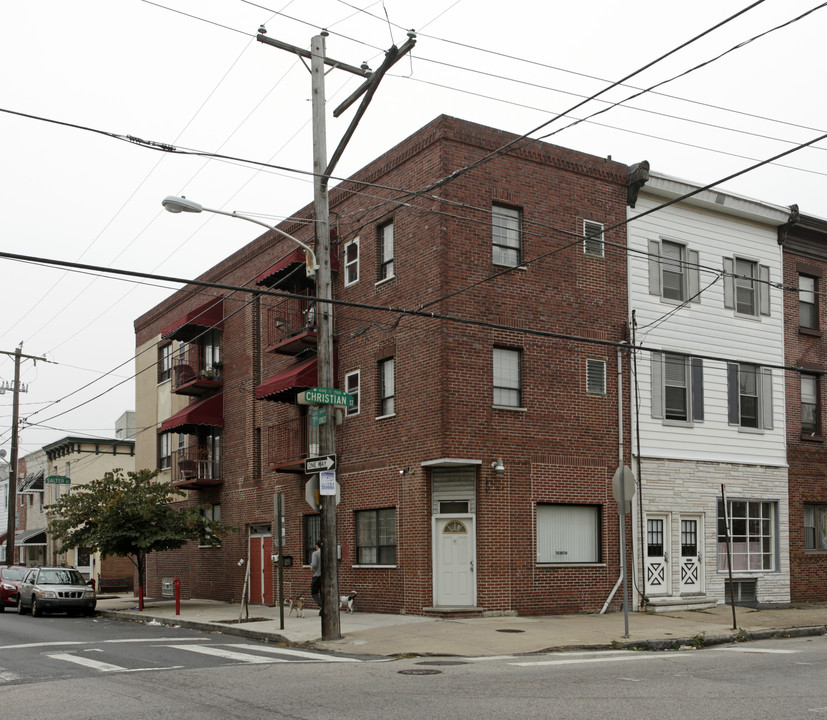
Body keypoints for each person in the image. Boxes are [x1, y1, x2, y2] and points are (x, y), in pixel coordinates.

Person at [311, 540, 322, 614]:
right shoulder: (327, 553)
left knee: (314, 592)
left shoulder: (315, 553)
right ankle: (322, 611)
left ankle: (321, 605)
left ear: (317, 546)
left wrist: (311, 567)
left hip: (317, 575)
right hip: (326, 576)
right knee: (323, 592)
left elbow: (314, 565)